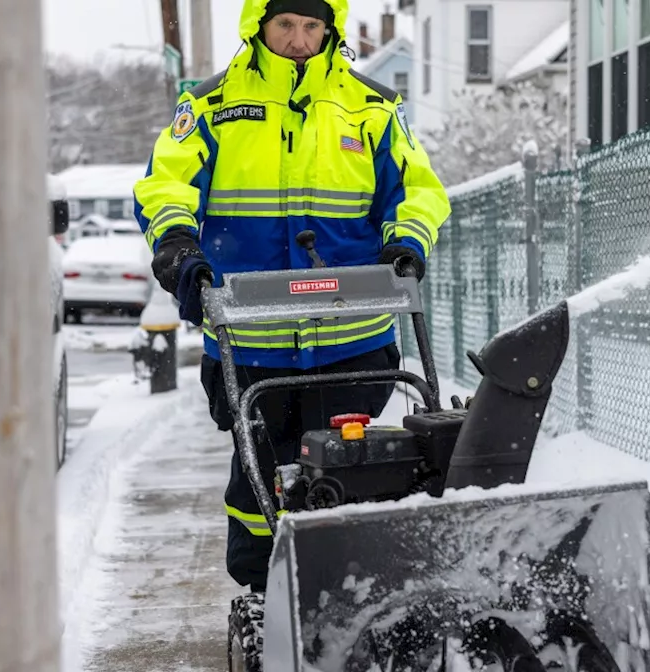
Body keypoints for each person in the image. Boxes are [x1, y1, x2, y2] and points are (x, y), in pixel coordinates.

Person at [132, 0, 450, 598]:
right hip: (251, 341)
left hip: (353, 338)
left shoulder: (373, 108)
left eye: (312, 26)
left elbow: (417, 190)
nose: (300, 39)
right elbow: (165, 185)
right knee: (259, 481)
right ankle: (263, 595)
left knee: (355, 469)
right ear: (259, 26)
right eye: (286, 24)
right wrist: (178, 247)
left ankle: (355, 591)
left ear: (329, 30)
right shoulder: (212, 108)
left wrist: (405, 242)